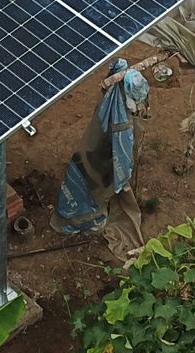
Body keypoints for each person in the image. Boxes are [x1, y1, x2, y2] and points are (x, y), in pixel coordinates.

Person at [55, 58, 149, 234]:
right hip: (99, 162)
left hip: (93, 155)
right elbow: (122, 152)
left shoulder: (111, 103)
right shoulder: (121, 120)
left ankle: (83, 210)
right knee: (96, 186)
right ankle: (86, 217)